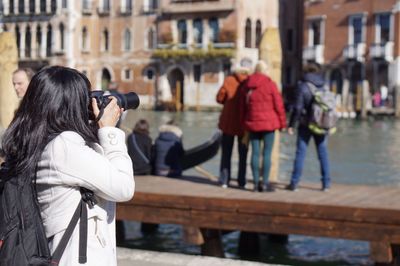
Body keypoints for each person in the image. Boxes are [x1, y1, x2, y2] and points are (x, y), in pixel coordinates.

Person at [2, 66, 135, 265]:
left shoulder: (36, 139)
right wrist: (109, 131)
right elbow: (123, 188)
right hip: (78, 257)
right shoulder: (64, 147)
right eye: (84, 97)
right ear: (71, 103)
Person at [240, 60, 286, 192]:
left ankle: (255, 184)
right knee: (266, 154)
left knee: (254, 153)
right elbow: (279, 106)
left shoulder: (247, 85)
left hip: (252, 123)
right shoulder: (270, 85)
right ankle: (264, 183)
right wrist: (282, 123)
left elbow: (243, 107)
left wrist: (244, 123)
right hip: (269, 125)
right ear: (265, 70)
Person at [287, 63, 331, 192]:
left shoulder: (302, 86)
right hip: (321, 123)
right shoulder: (323, 85)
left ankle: (294, 183)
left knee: (301, 153)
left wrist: (291, 125)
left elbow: (298, 108)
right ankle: (326, 184)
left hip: (305, 124)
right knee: (323, 153)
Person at [216, 60, 251, 189]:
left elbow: (219, 98)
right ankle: (241, 182)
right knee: (243, 154)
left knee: (226, 152)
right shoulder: (250, 82)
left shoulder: (229, 80)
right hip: (244, 124)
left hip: (228, 122)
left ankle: (224, 180)